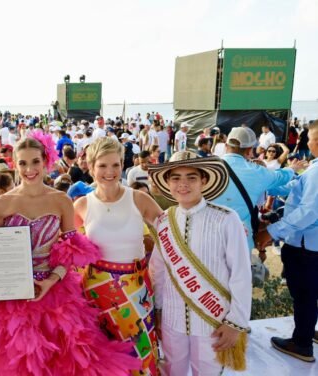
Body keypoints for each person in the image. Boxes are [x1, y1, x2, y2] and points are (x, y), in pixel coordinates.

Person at [0, 130, 139, 375]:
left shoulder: (61, 201)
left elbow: (71, 250)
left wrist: (52, 279)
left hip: (55, 295)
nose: (30, 169)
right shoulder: (1, 204)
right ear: (15, 165)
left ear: (45, 160)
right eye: (23, 163)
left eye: (35, 161)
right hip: (8, 296)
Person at [148, 151, 252, 374]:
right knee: (170, 370)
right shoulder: (163, 221)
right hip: (171, 318)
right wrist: (156, 310)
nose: (183, 184)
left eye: (191, 177)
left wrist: (235, 323)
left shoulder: (226, 218)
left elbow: (241, 274)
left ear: (204, 181)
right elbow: (157, 271)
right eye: (175, 178)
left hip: (212, 319)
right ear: (167, 182)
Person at [74, 138, 163, 375]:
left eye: (115, 165)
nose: (110, 172)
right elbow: (66, 246)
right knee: (105, 359)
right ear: (91, 167)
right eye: (102, 166)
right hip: (96, 292)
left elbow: (169, 231)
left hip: (137, 290)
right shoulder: (82, 205)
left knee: (142, 356)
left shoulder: (138, 198)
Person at [257, 121, 318, 362]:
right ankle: (308, 330)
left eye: (311, 138)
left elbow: (308, 212)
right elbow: (295, 186)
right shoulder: (312, 170)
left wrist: (272, 231)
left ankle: (301, 343)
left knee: (303, 293)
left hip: (305, 246)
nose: (308, 143)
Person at [213, 126, 303, 252]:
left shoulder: (209, 167)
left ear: (226, 145)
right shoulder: (257, 172)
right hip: (240, 239)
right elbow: (280, 178)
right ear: (250, 150)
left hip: (209, 236)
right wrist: (292, 169)